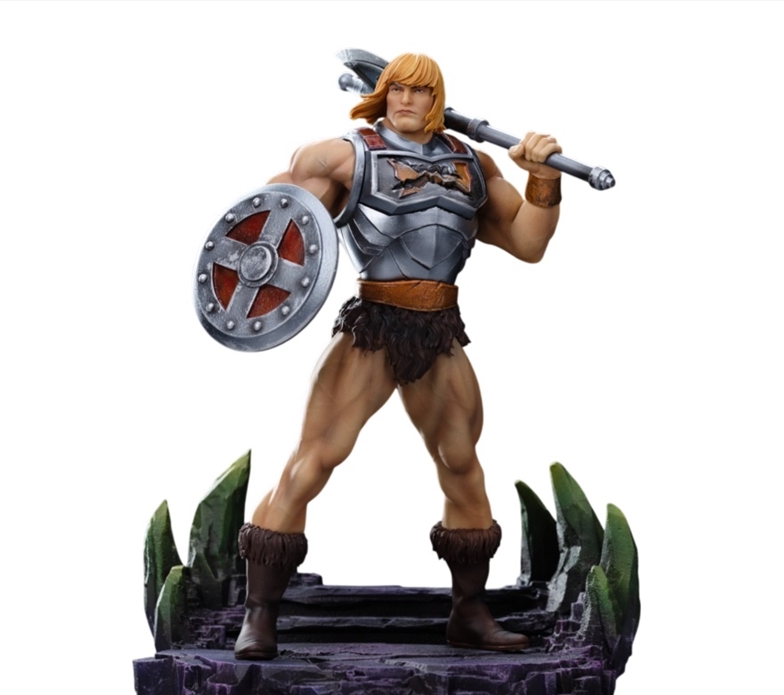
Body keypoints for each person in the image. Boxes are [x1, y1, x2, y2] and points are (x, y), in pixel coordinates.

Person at [235, 53, 563, 660]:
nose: (406, 100)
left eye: (420, 91)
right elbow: (276, 217)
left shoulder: (473, 164)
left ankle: (469, 614)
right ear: (382, 95)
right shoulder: (346, 155)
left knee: (462, 464)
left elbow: (527, 242)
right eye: (395, 89)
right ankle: (259, 615)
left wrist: (543, 179)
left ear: (438, 99)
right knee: (312, 462)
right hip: (373, 327)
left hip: (439, 330)